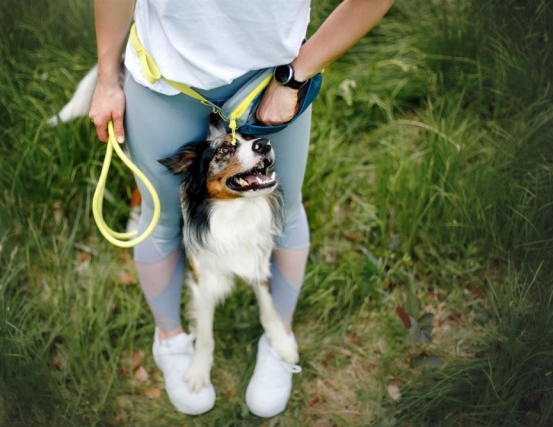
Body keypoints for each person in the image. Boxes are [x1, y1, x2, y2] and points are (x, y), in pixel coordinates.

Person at [89, 0, 393, 417]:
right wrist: (107, 77)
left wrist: (294, 76)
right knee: (161, 220)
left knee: (283, 214)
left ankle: (279, 339)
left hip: (272, 77)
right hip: (165, 78)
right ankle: (170, 341)